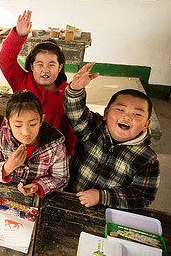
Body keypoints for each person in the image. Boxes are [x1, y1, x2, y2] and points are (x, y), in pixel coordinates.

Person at [64, 62, 159, 208]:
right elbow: (75, 113)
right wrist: (75, 89)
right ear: (106, 113)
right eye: (120, 110)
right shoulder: (93, 127)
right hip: (69, 195)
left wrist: (102, 197)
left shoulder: (147, 159)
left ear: (147, 124)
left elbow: (143, 196)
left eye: (137, 113)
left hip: (106, 211)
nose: (127, 117)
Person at [0, 10, 76, 156]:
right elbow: (5, 61)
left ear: (60, 68)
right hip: (13, 146)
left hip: (47, 155)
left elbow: (71, 132)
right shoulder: (22, 81)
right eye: (40, 64)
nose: (45, 69)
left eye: (51, 64)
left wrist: (68, 156)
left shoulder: (67, 94)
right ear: (32, 66)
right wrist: (18, 35)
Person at [0, 90, 69, 198]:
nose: (26, 132)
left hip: (38, 200)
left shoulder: (56, 146)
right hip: (5, 197)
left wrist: (38, 186)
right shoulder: (1, 139)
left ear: (41, 120)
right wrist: (8, 167)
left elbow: (61, 178)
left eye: (32, 124)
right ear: (8, 123)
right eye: (18, 125)